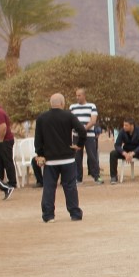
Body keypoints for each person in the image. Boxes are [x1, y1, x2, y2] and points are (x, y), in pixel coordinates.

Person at [33, 93, 86, 222]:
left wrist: (40, 154)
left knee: (49, 187)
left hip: (50, 160)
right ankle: (75, 213)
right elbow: (82, 131)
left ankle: (48, 215)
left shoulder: (42, 118)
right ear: (62, 103)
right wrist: (79, 145)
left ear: (50, 103)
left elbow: (38, 139)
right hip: (67, 158)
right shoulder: (69, 115)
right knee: (70, 186)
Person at [70, 87, 102, 184]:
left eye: (79, 95)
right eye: (76, 95)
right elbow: (70, 120)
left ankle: (96, 176)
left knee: (92, 155)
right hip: (76, 136)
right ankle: (78, 178)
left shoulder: (91, 106)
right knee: (77, 157)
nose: (77, 97)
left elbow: (93, 120)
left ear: (84, 96)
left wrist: (83, 130)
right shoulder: (72, 107)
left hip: (89, 135)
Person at [108, 118, 139, 182]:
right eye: (124, 125)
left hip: (137, 151)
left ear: (132, 125)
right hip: (126, 151)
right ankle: (113, 176)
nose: (124, 127)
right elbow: (117, 145)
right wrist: (124, 153)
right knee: (113, 153)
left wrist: (133, 153)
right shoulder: (122, 131)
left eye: (126, 125)